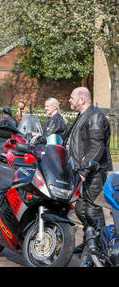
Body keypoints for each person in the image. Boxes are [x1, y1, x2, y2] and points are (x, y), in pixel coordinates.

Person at [65, 87, 113, 254]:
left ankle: (101, 247)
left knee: (93, 210)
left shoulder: (95, 117)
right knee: (80, 208)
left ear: (82, 100)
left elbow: (96, 147)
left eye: (72, 97)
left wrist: (84, 171)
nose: (69, 100)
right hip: (83, 171)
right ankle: (90, 241)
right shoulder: (83, 116)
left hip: (94, 173)